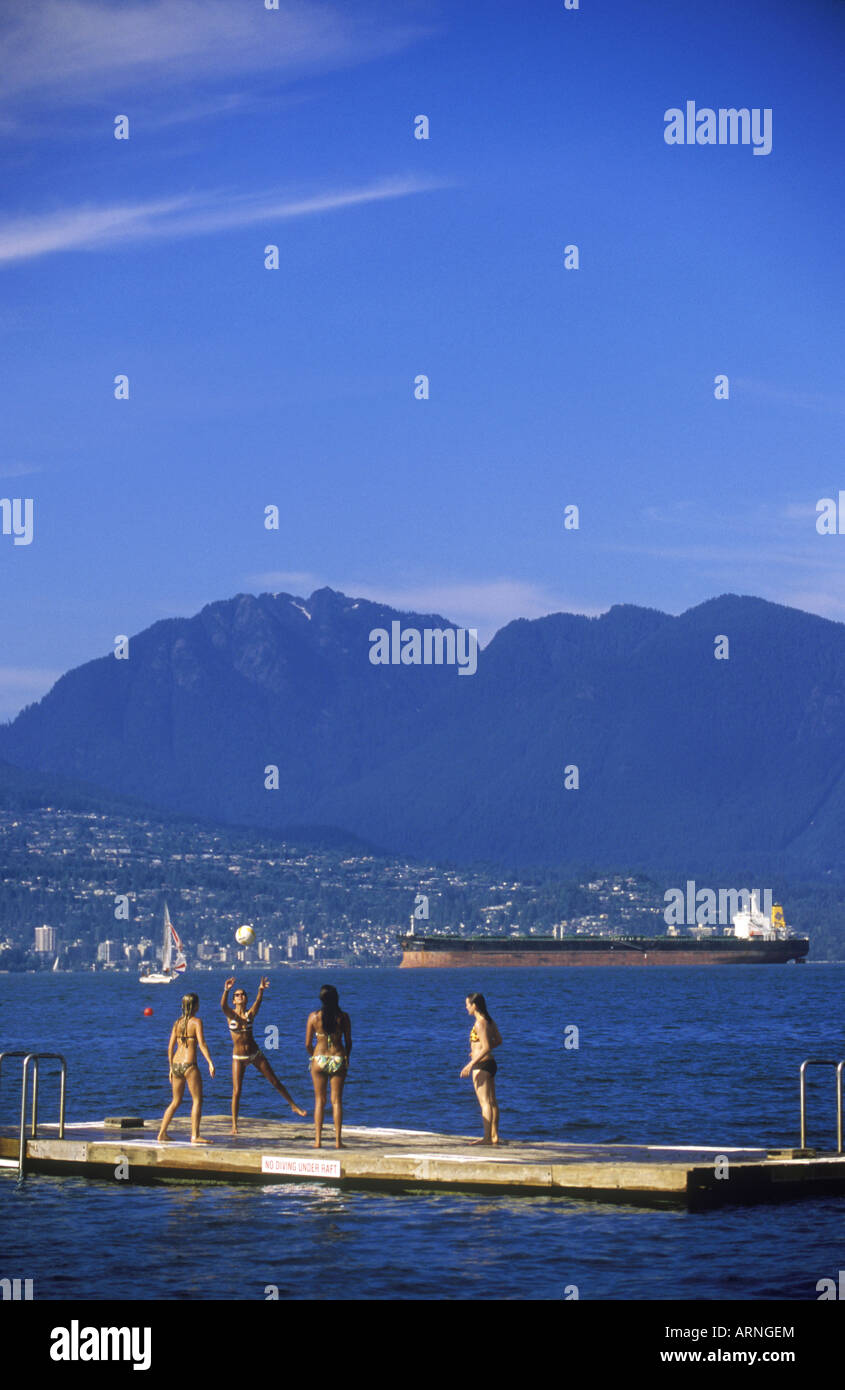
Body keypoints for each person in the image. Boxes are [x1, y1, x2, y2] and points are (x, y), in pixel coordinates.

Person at [221, 976, 307, 1135]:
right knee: (237, 1090)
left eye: (243, 994)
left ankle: (293, 1106)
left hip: (254, 1053)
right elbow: (222, 1005)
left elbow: (258, 1002)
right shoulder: (230, 1015)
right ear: (234, 1000)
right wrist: (227, 990)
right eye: (237, 995)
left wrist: (260, 989)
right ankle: (234, 1124)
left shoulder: (250, 1014)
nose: (240, 996)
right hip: (238, 1057)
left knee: (274, 1080)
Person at [158, 993, 215, 1144]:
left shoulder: (177, 1023)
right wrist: (209, 1061)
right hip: (189, 1065)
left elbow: (170, 1048)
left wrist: (170, 1067)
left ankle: (162, 1132)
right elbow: (202, 1044)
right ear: (195, 1006)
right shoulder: (196, 1022)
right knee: (197, 1100)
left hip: (176, 1064)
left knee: (175, 1101)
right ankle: (195, 1135)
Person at [305, 984, 352, 1149]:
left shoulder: (314, 1017)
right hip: (338, 1057)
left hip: (319, 1058)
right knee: (336, 1101)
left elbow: (307, 1043)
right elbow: (349, 1042)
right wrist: (346, 1058)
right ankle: (338, 1141)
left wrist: (314, 1057)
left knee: (319, 1100)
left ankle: (318, 1141)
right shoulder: (343, 1017)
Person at [460, 993, 502, 1145]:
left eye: (467, 1005)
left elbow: (486, 1046)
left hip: (481, 1065)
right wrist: (477, 1051)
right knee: (492, 1101)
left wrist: (470, 1063)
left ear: (474, 1005)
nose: (466, 1008)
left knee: (485, 1103)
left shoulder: (480, 1023)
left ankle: (487, 1138)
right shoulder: (490, 1021)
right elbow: (497, 1041)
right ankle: (494, 1135)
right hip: (490, 1063)